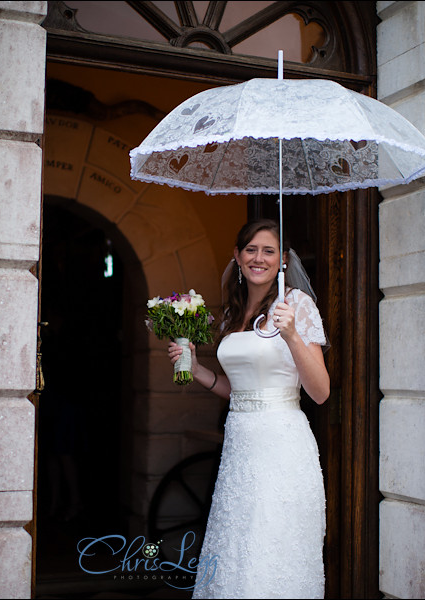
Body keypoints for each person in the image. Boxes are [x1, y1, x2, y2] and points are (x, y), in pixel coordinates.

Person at [167, 219, 330, 599]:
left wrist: (291, 335)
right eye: (251, 250)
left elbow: (320, 392)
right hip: (240, 447)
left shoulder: (297, 306)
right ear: (237, 257)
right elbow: (237, 390)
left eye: (269, 250)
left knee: (271, 553)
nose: (259, 258)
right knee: (237, 553)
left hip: (282, 445)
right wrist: (197, 370)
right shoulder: (234, 313)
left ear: (283, 260)